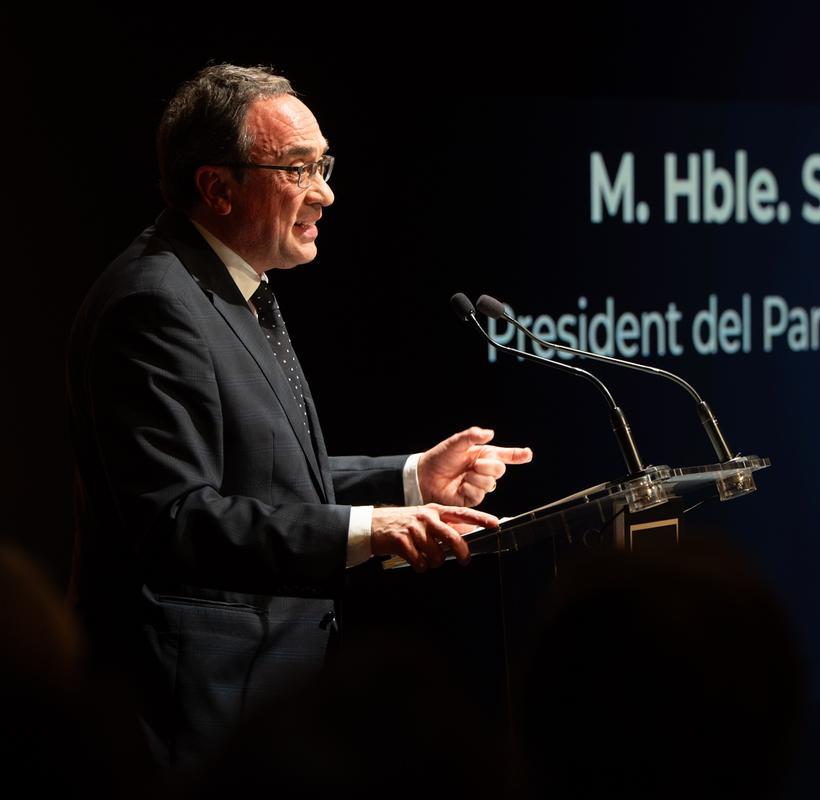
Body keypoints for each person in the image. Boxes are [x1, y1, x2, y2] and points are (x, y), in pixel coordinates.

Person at [66, 63, 533, 770]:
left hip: (257, 697)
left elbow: (261, 474)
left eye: (324, 164)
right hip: (191, 709)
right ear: (217, 187)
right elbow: (179, 518)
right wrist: (372, 529)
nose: (326, 193)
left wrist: (409, 481)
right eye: (298, 169)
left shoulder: (236, 287)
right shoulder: (154, 304)